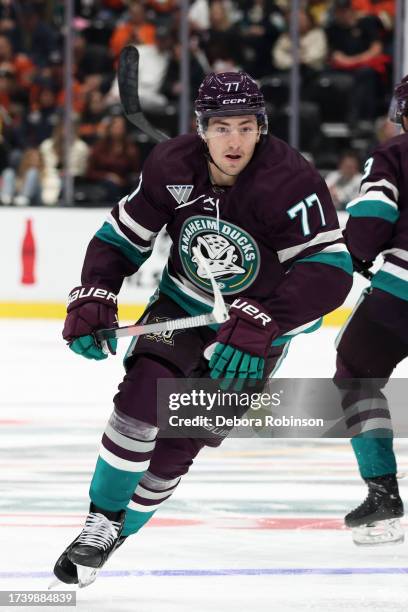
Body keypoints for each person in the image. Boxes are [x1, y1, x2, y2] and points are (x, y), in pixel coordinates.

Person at [52, 71, 352, 587]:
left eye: (244, 127)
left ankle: (118, 531)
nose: (233, 141)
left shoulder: (291, 180)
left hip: (261, 327)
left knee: (178, 447)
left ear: (262, 127)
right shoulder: (172, 165)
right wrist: (97, 289)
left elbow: (330, 271)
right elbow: (122, 236)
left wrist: (268, 320)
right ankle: (99, 521)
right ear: (201, 128)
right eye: (220, 127)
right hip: (181, 304)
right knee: (142, 398)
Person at [334, 75, 408, 545]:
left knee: (355, 374)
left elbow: (375, 215)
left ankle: (383, 496)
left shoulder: (396, 154)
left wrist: (355, 253)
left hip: (401, 294)